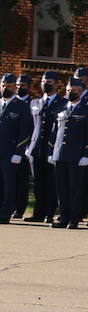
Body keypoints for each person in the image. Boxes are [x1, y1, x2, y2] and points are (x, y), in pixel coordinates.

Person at [51, 75, 88, 228]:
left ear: (81, 92)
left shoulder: (87, 110)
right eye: (69, 90)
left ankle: (73, 218)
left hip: (76, 156)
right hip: (60, 154)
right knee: (61, 187)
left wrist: (86, 155)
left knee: (75, 188)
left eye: (74, 90)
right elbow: (54, 132)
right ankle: (63, 216)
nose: (71, 92)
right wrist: (52, 151)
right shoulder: (61, 109)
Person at [26, 70, 64, 223]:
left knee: (51, 182)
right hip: (36, 148)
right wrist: (28, 146)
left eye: (49, 82)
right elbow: (30, 126)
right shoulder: (35, 103)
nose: (45, 84)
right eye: (43, 82)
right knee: (38, 182)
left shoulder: (62, 103)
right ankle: (38, 213)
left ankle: (49, 213)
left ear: (56, 85)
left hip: (51, 148)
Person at [0, 73, 32, 222]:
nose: (6, 88)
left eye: (9, 86)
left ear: (15, 87)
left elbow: (24, 131)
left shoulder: (21, 106)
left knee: (9, 184)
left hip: (10, 152)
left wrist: (18, 152)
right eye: (3, 85)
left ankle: (6, 212)